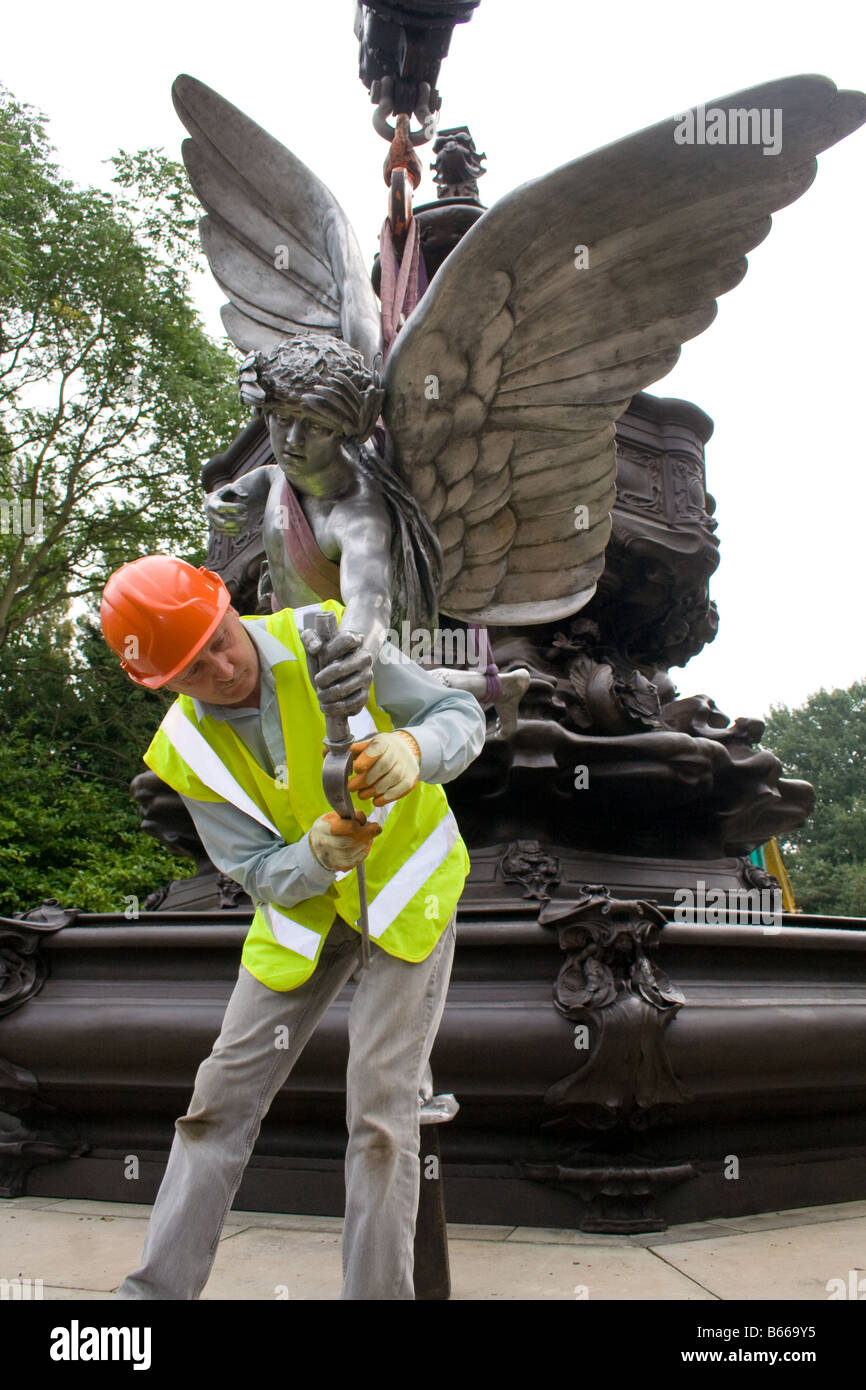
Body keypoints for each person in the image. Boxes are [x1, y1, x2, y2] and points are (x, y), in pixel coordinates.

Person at [100, 553, 485, 1300]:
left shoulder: (331, 637)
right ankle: (149, 1303)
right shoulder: (181, 751)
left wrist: (415, 748)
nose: (221, 667)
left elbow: (459, 714)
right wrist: (310, 858)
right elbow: (252, 870)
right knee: (217, 1105)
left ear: (227, 609)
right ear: (160, 684)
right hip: (303, 919)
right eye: (191, 668)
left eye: (220, 638)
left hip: (406, 894)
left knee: (380, 1112)